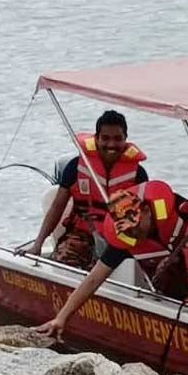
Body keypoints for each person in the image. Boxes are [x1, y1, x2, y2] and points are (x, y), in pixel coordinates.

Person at [35, 180, 186, 339]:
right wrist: (60, 319)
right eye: (128, 231)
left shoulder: (179, 210)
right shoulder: (125, 242)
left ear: (147, 210)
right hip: (172, 287)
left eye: (136, 226)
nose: (135, 234)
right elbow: (93, 279)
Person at [18, 110, 148, 269]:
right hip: (82, 233)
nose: (111, 145)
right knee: (64, 262)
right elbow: (57, 208)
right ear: (96, 138)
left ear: (125, 139)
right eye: (105, 138)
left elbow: (144, 219)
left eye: (117, 139)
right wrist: (38, 244)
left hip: (119, 236)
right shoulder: (75, 167)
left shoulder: (138, 174)